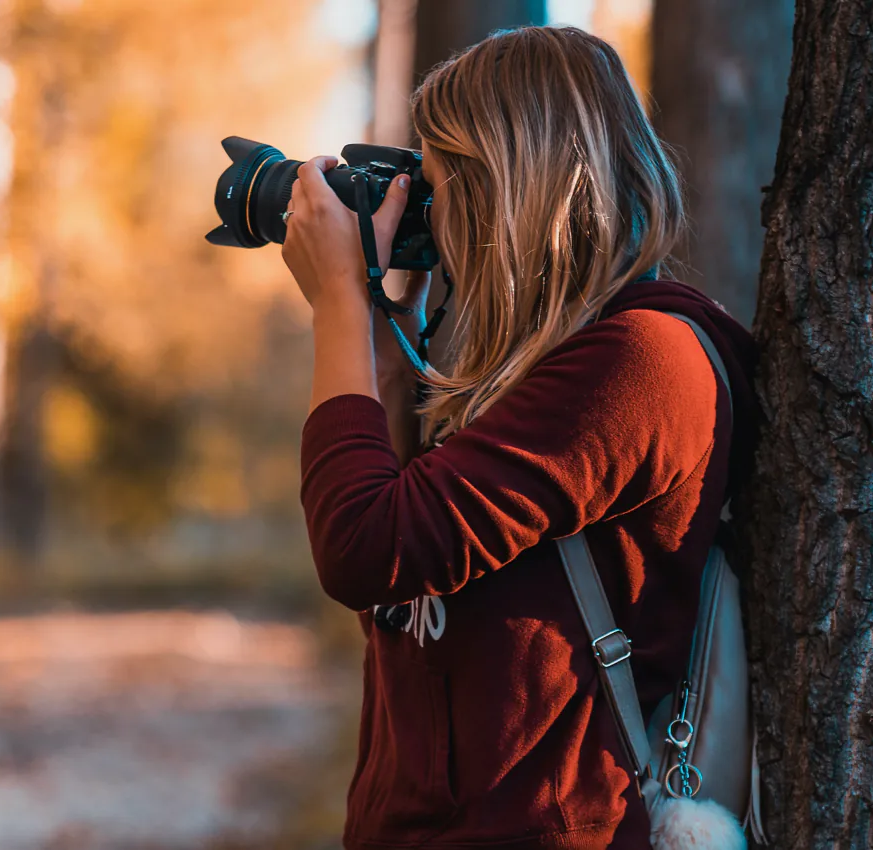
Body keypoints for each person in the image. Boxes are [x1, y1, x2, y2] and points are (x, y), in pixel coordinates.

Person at [282, 26, 759, 849]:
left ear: (503, 188)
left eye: (443, 186)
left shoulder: (643, 362)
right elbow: (405, 559)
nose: (434, 213)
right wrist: (396, 321)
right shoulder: (534, 368)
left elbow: (364, 546)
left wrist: (339, 309)